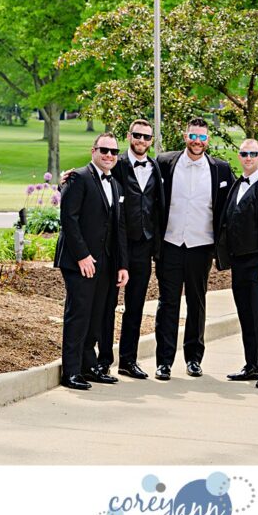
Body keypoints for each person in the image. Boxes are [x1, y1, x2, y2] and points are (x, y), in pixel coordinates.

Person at [154, 117, 235, 380]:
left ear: (207, 140)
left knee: (196, 303)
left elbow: (237, 201)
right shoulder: (165, 162)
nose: (197, 141)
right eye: (193, 136)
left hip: (201, 247)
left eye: (202, 137)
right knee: (168, 304)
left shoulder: (221, 169)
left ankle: (194, 359)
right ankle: (164, 362)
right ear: (185, 136)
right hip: (170, 244)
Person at [53, 133, 128, 390]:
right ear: (93, 150)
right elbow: (69, 219)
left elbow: (119, 228)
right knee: (79, 314)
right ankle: (71, 371)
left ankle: (89, 366)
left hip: (106, 262)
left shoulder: (115, 184)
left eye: (114, 152)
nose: (109, 155)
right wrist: (82, 256)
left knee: (98, 315)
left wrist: (122, 265)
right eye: (104, 150)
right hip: (79, 261)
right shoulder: (78, 177)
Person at [98, 119, 165, 379]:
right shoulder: (116, 163)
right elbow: (93, 180)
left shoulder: (155, 167)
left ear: (151, 140)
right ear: (129, 136)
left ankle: (128, 360)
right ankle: (103, 360)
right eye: (137, 135)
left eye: (146, 137)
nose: (141, 140)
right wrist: (64, 182)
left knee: (135, 306)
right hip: (116, 246)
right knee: (108, 305)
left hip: (143, 247)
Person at [216, 139, 258, 389]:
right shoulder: (236, 184)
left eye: (253, 153)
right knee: (244, 313)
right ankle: (251, 364)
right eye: (244, 153)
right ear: (239, 156)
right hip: (238, 262)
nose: (248, 158)